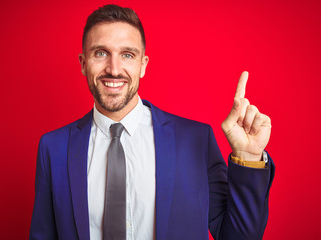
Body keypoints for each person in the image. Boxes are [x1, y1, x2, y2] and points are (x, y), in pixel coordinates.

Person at [30, 4, 274, 240]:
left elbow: (238, 236)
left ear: (142, 65)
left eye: (127, 55)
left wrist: (248, 159)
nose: (114, 69)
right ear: (84, 64)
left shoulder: (195, 140)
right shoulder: (54, 148)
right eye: (101, 53)